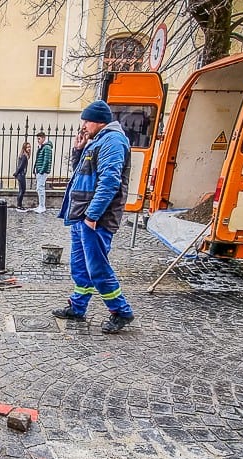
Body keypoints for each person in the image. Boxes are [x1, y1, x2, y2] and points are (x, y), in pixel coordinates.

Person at [53, 100, 135, 334]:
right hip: (83, 216)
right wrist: (79, 149)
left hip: (95, 218)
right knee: (80, 267)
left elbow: (110, 181)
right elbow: (82, 174)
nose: (83, 125)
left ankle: (121, 311)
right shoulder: (97, 141)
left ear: (99, 120)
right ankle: (78, 307)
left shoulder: (113, 140)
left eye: (86, 121)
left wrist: (92, 215)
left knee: (97, 267)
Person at [32, 131, 53, 213]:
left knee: (40, 188)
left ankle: (42, 206)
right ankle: (40, 205)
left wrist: (41, 170)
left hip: (42, 171)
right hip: (39, 170)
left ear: (44, 138)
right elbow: (38, 159)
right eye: (37, 139)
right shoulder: (42, 147)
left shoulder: (46, 147)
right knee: (39, 188)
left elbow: (46, 160)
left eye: (39, 138)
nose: (38, 140)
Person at [13, 142, 31, 211]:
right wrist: (16, 173)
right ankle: (19, 206)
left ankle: (19, 205)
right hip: (21, 175)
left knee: (21, 190)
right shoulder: (24, 156)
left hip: (20, 174)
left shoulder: (23, 155)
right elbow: (21, 166)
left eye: (29, 147)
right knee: (22, 190)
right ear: (24, 148)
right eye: (27, 147)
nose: (29, 148)